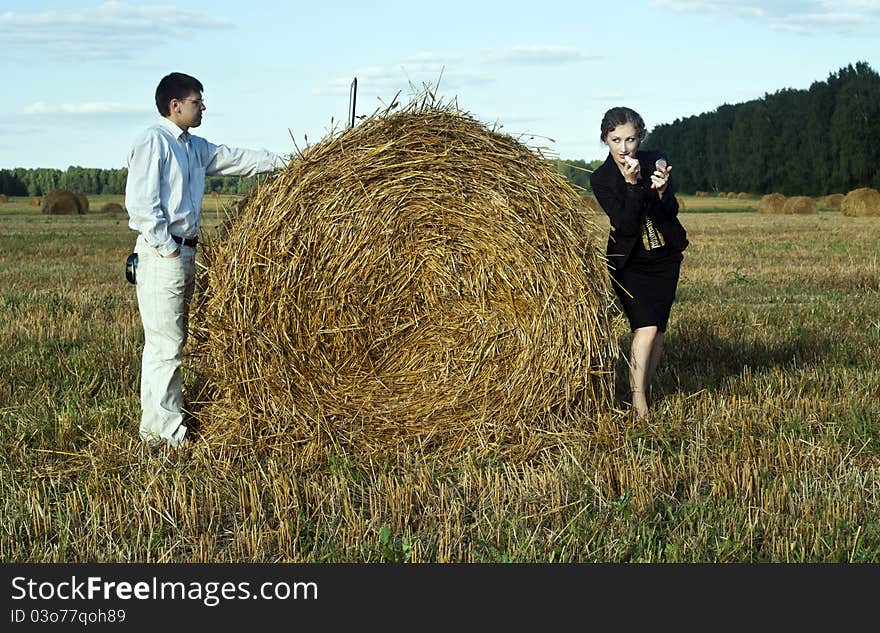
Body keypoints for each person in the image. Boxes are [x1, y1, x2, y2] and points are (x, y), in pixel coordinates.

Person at [125, 72, 285, 448]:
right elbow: (142, 206)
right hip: (165, 254)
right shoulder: (154, 141)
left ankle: (160, 426)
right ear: (174, 105)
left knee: (171, 343)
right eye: (198, 102)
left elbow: (237, 159)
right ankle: (163, 435)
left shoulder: (192, 146)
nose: (203, 107)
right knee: (165, 346)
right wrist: (167, 248)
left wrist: (294, 161)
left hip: (186, 252)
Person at [589, 106, 688, 418]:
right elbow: (625, 223)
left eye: (630, 139)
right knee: (644, 328)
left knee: (657, 329)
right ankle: (638, 402)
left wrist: (660, 194)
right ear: (605, 139)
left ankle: (644, 387)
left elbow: (670, 211)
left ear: (640, 138)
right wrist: (633, 186)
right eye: (616, 140)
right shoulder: (602, 179)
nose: (624, 148)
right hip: (630, 264)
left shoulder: (655, 161)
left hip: (665, 259)